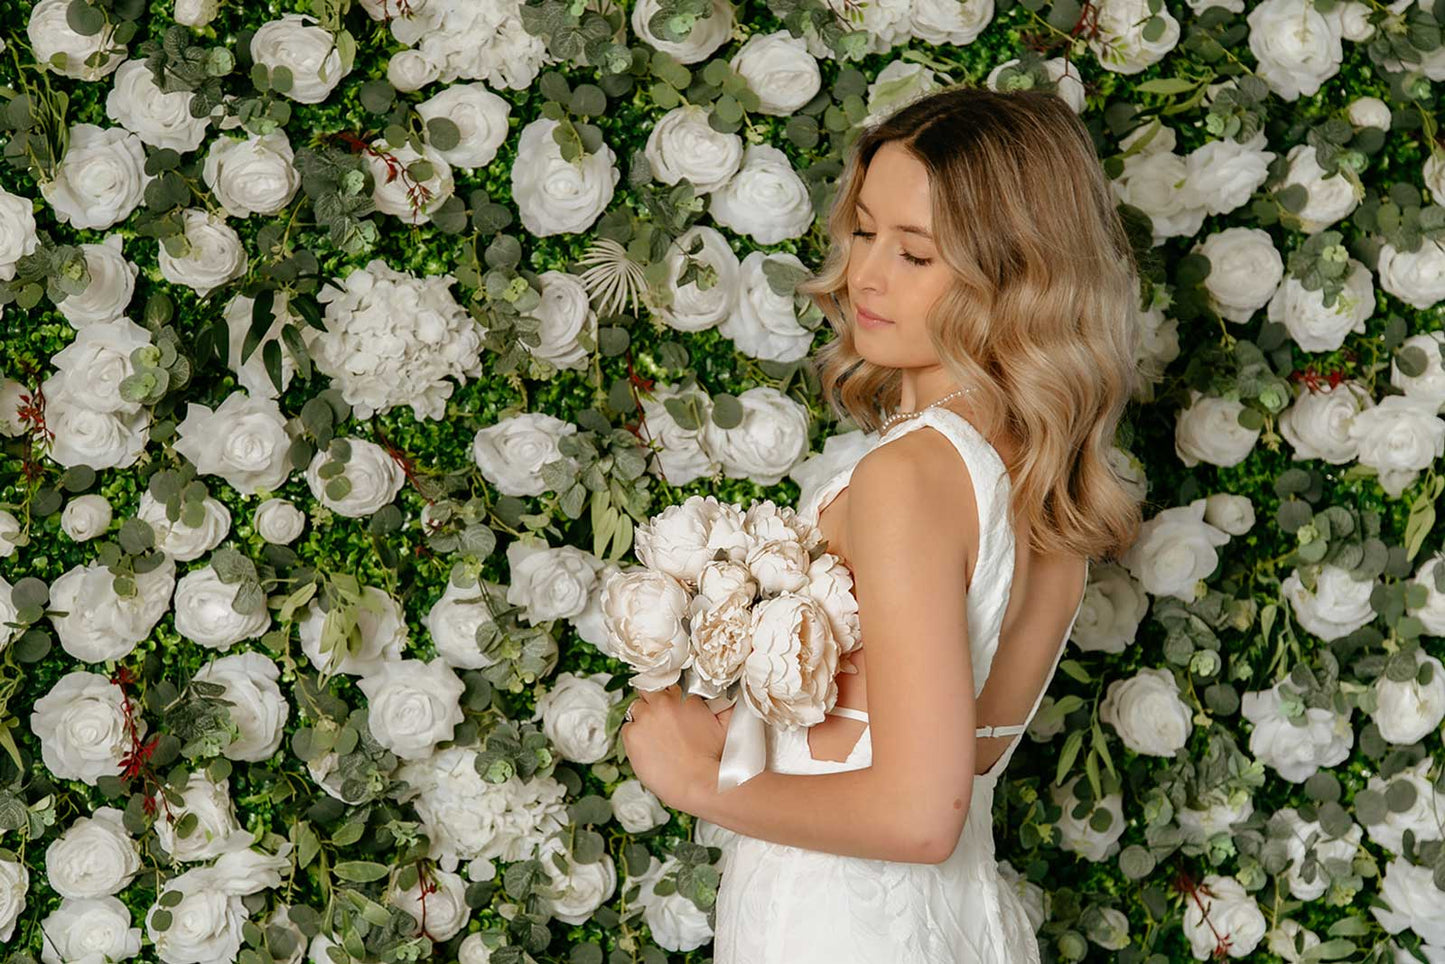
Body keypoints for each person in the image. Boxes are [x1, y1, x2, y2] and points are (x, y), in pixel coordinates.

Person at [619, 85, 1145, 963]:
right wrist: (749, 727)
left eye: (915, 254)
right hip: (954, 923)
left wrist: (698, 782)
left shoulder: (910, 474)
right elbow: (945, 753)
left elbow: (915, 812)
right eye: (865, 231)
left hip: (834, 926)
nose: (864, 274)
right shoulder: (1042, 472)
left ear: (1012, 275)